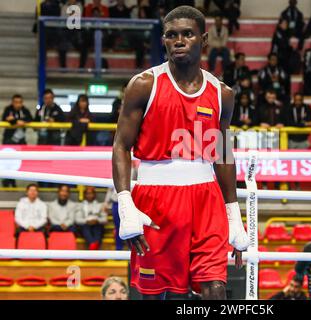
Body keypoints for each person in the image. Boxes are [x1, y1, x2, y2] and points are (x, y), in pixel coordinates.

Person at [112, 6, 249, 300]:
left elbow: (222, 154)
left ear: (204, 39)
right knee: (153, 293)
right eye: (171, 35)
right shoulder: (144, 85)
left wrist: (233, 215)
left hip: (206, 199)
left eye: (187, 34)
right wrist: (126, 204)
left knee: (215, 286)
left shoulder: (221, 93)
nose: (179, 41)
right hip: (155, 198)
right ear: (163, 40)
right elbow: (121, 146)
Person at [59, 0, 88, 69]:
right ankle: (63, 68)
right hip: (66, 32)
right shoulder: (64, 7)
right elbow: (62, 20)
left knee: (84, 49)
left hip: (76, 33)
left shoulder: (79, 6)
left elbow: (75, 18)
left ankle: (81, 68)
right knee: (61, 47)